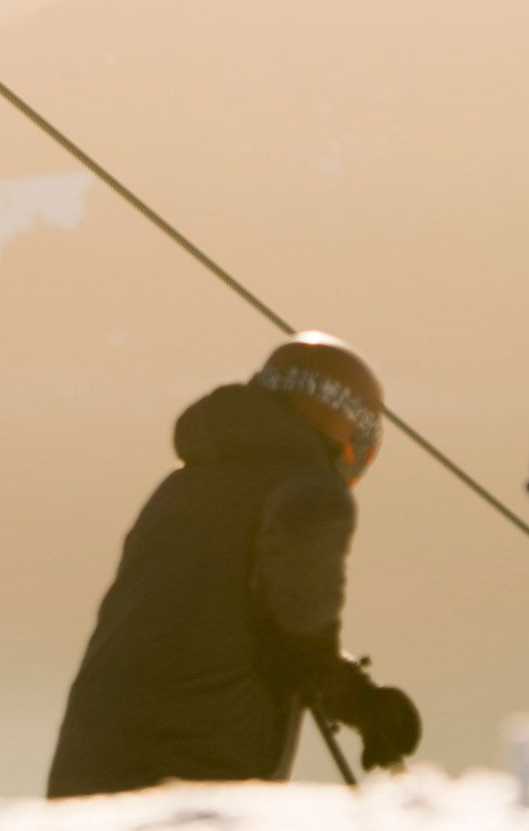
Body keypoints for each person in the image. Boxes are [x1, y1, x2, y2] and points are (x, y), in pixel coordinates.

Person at [47, 337, 423, 797]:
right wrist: (366, 705)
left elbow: (223, 615)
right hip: (195, 762)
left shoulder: (183, 485)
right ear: (344, 426)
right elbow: (302, 635)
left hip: (89, 758)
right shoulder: (311, 492)